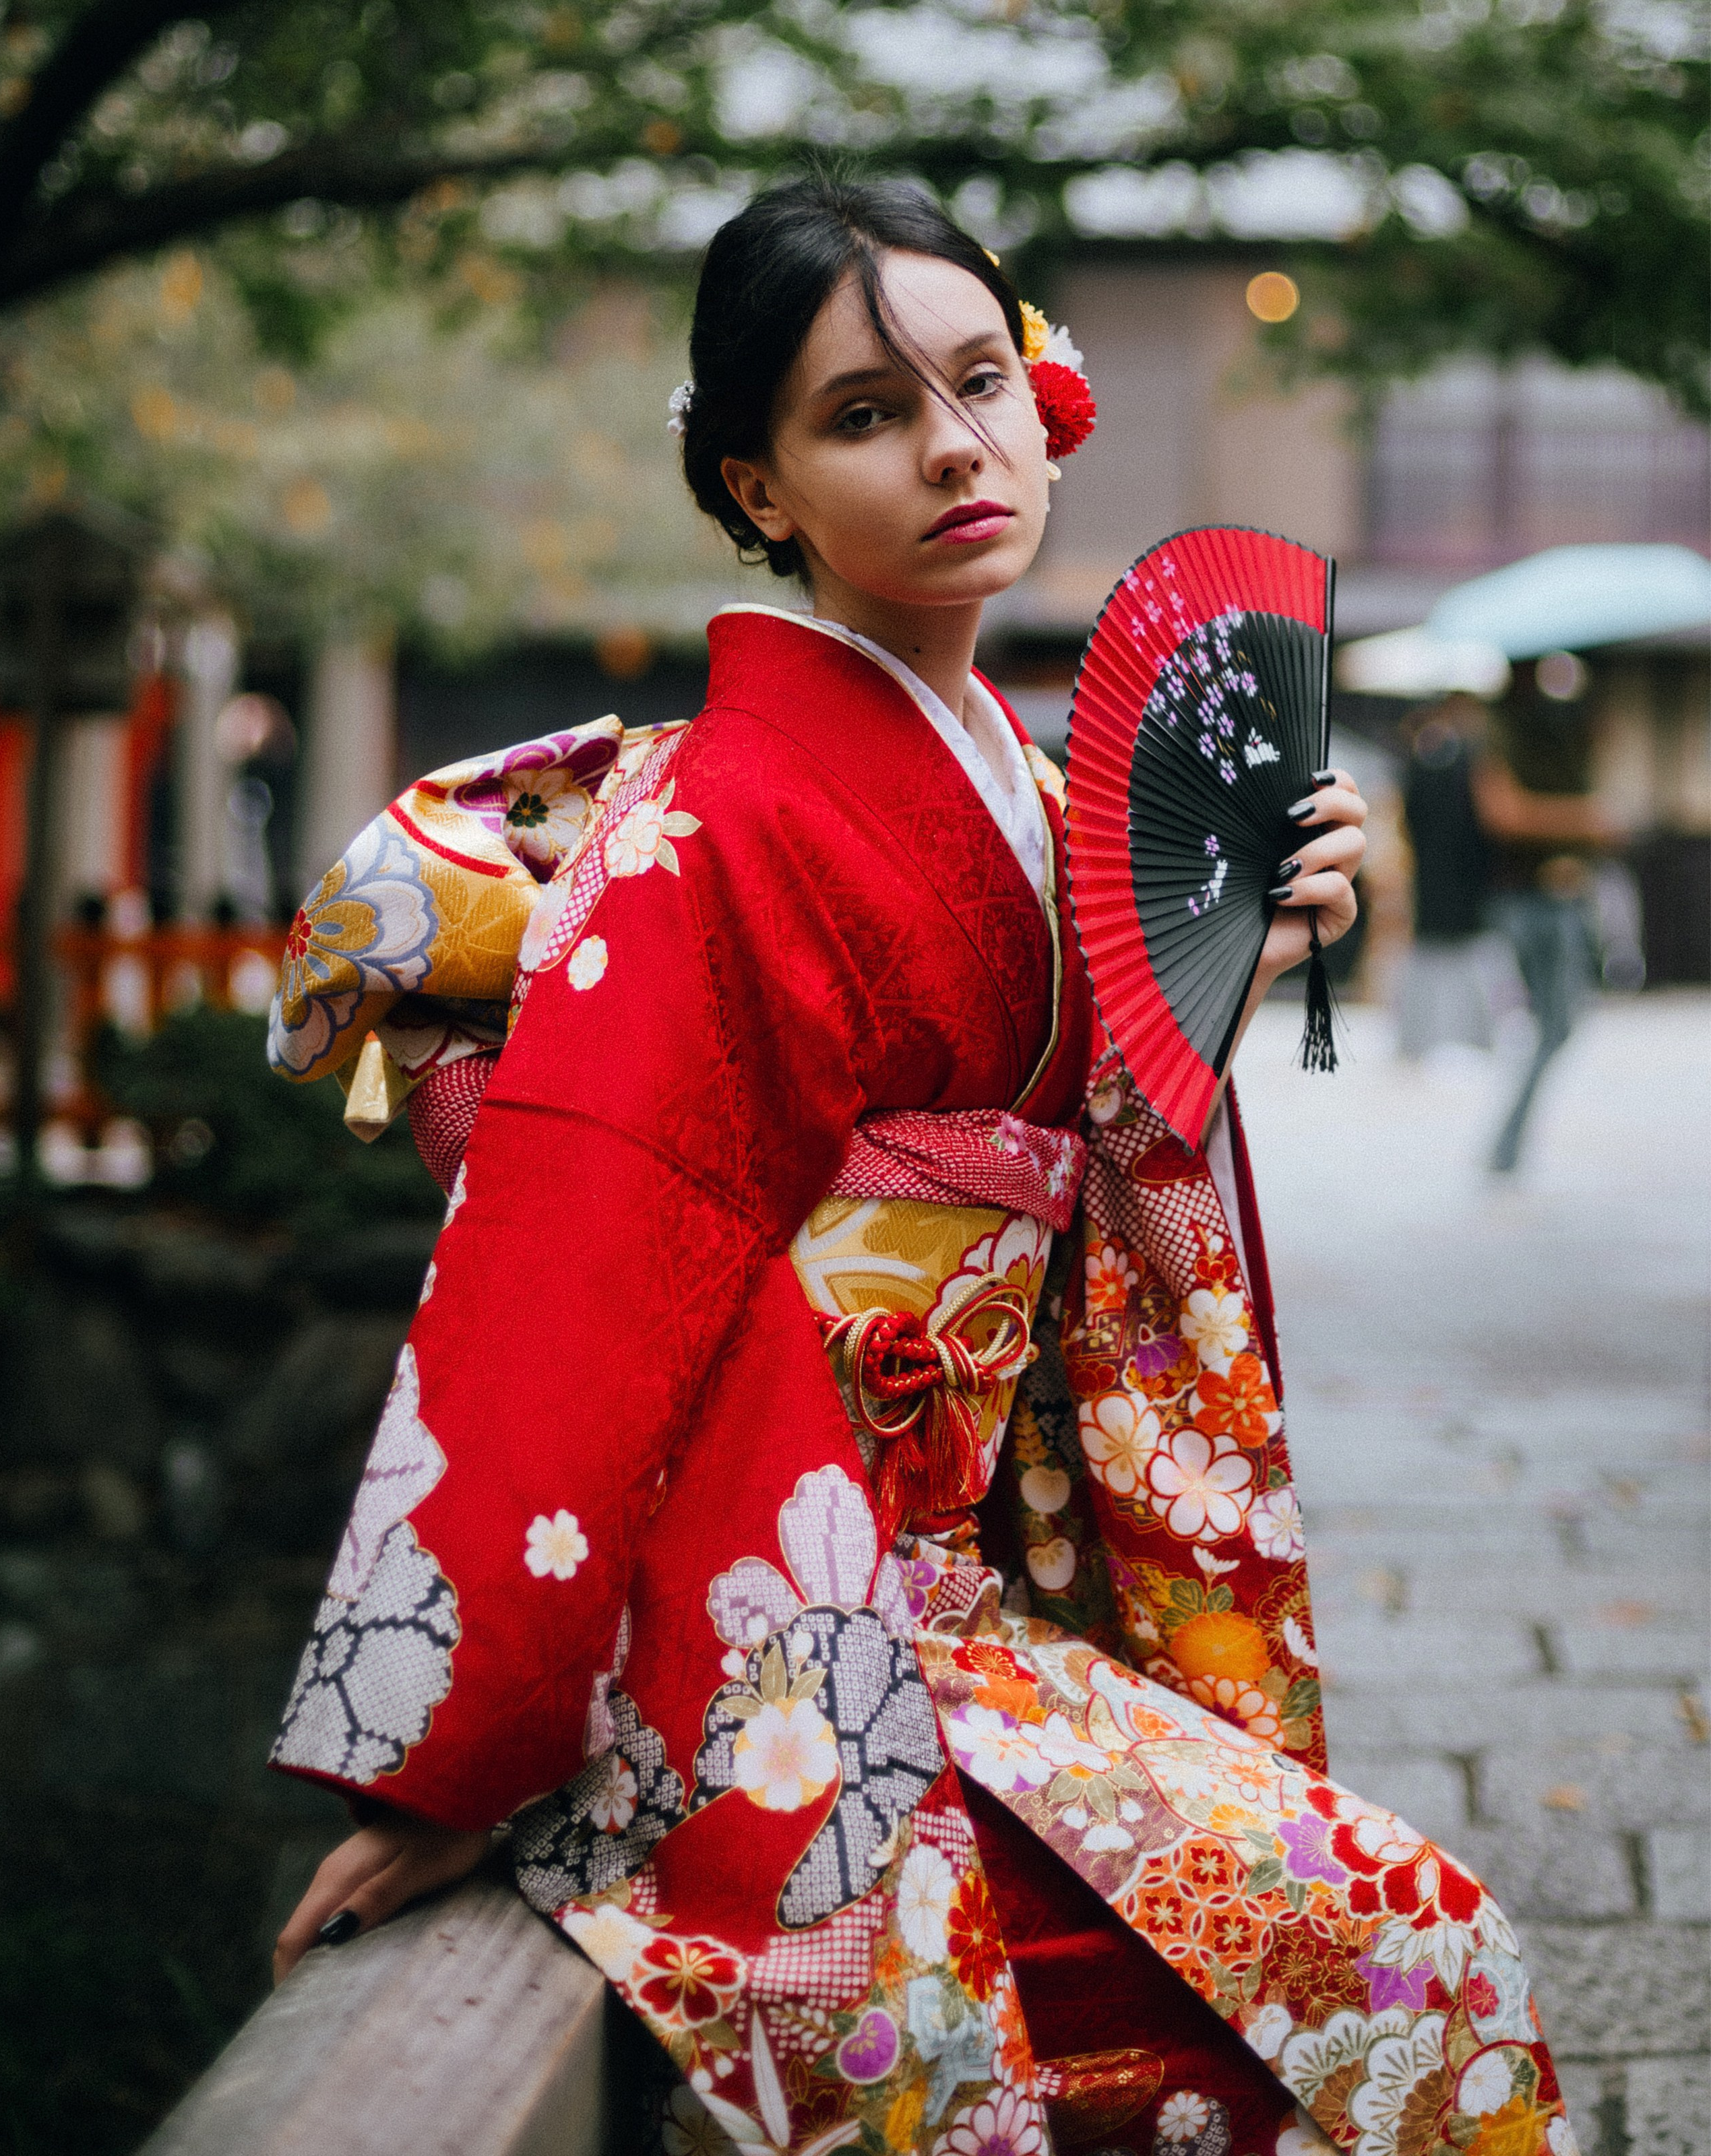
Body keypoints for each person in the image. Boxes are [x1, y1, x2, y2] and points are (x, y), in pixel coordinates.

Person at [263, 180, 1573, 2153]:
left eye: (980, 383)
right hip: (756, 1617)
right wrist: (440, 1770)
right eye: (866, 413)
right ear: (758, 485)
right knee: (1380, 1971)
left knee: (1395, 1966)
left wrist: (1231, 973)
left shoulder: (1036, 796)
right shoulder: (707, 833)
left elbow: (1082, 1151)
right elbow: (574, 1268)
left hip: (945, 1576)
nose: (958, 445)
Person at [1472, 683, 1619, 1174]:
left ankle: (1508, 1144)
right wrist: (1585, 820)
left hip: (1554, 898)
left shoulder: (1552, 739)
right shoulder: (1503, 738)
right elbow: (1506, 814)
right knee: (1553, 1024)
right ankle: (1506, 1145)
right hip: (1527, 902)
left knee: (1554, 1025)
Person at [1395, 694, 1499, 1060]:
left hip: (1449, 877)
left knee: (1457, 960)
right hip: (1451, 876)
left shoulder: (1447, 760)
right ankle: (1431, 1041)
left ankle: (1466, 1038)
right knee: (1444, 959)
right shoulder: (1454, 761)